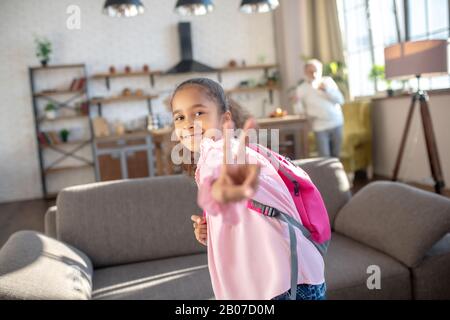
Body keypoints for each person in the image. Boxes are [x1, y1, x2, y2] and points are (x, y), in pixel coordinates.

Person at [171, 77, 326, 300]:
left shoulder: (220, 152)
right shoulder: (227, 153)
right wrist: (210, 228)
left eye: (198, 113)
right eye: (180, 117)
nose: (188, 123)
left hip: (284, 283)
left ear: (224, 118)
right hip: (289, 276)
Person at [294, 59, 345, 158]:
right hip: (319, 126)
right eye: (310, 71)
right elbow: (299, 112)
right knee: (324, 157)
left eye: (316, 71)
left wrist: (327, 90)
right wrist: (296, 103)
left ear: (320, 71)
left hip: (336, 123)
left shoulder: (328, 82)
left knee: (336, 156)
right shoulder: (301, 89)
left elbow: (340, 100)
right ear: (305, 72)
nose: (314, 74)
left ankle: (335, 174)